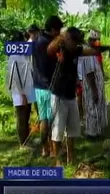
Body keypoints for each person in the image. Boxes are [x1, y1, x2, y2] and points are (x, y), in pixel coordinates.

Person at [47, 26, 108, 164]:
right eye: (74, 41)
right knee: (57, 131)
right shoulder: (60, 49)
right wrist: (62, 37)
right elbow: (49, 50)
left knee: (73, 130)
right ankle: (58, 162)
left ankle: (71, 158)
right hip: (59, 96)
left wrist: (103, 48)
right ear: (67, 39)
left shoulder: (77, 50)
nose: (76, 44)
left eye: (77, 41)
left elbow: (92, 51)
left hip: (71, 96)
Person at [32, 15, 63, 157]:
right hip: (49, 86)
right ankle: (53, 150)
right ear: (52, 30)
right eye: (58, 30)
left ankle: (45, 149)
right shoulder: (49, 43)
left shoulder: (37, 40)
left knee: (44, 118)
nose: (59, 33)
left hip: (38, 85)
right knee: (53, 119)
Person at [6, 31, 36, 148]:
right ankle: (23, 143)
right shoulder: (13, 57)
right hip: (20, 92)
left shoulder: (23, 54)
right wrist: (22, 94)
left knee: (26, 116)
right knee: (22, 117)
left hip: (28, 89)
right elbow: (15, 78)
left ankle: (27, 140)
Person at [78, 34, 108, 139]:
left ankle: (97, 131)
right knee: (92, 108)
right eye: (95, 41)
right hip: (92, 86)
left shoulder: (91, 53)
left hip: (95, 85)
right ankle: (92, 133)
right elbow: (89, 73)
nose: (97, 43)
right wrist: (94, 90)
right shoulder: (88, 54)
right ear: (91, 41)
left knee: (96, 107)